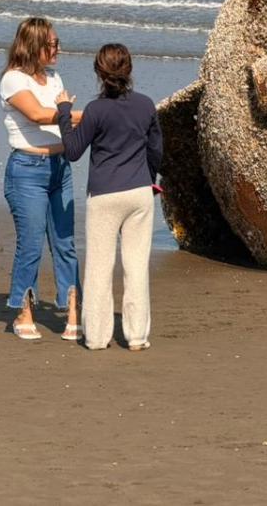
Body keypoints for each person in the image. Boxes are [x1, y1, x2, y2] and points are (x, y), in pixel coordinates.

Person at [56, 43, 162, 351]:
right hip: (139, 191)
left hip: (104, 194)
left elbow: (73, 150)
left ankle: (98, 337)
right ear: (129, 70)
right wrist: (150, 180)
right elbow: (156, 150)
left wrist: (64, 112)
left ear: (99, 73)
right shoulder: (145, 105)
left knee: (100, 268)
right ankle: (137, 337)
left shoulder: (95, 110)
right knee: (136, 266)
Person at [0, 17, 82, 341]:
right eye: (52, 44)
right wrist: (84, 115)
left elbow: (61, 121)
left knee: (65, 243)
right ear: (34, 46)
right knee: (31, 244)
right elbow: (37, 114)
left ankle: (73, 312)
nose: (57, 48)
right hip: (27, 170)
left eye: (57, 42)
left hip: (60, 167)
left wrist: (72, 120)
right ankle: (23, 311)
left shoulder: (52, 77)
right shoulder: (12, 79)